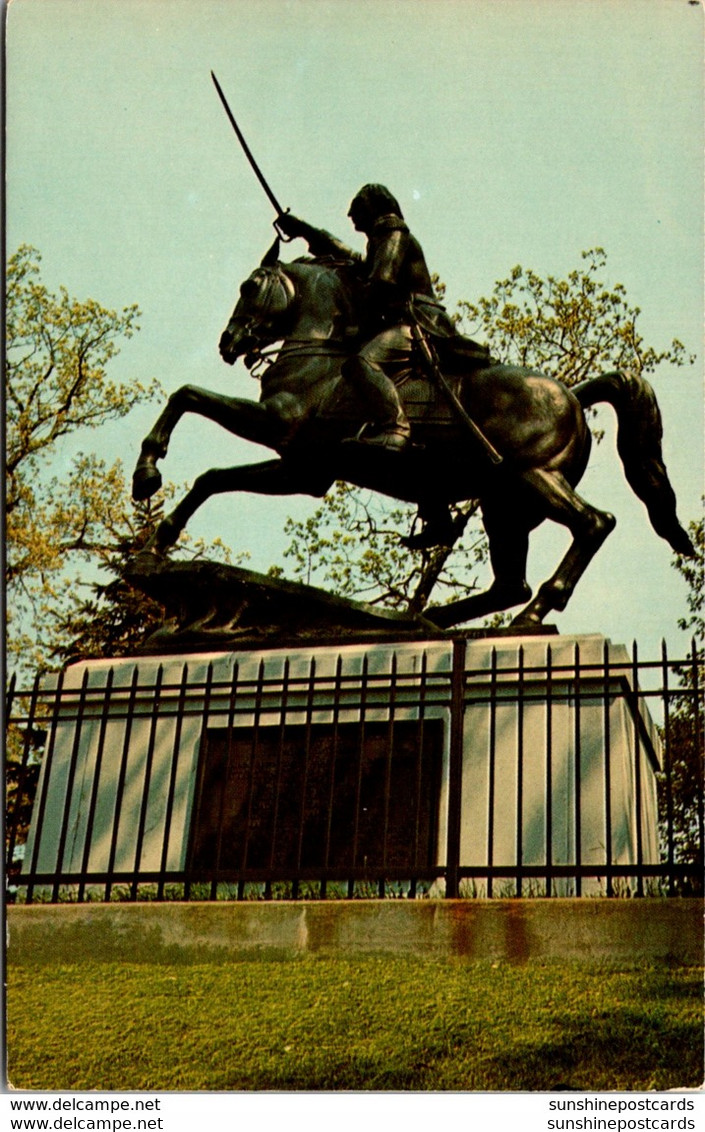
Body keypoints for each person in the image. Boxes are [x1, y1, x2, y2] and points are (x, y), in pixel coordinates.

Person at [278, 183, 465, 452]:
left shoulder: (393, 234)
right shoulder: (380, 240)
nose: (350, 215)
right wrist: (305, 231)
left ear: (373, 207)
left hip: (418, 322)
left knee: (362, 364)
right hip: (406, 320)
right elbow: (351, 258)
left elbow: (381, 283)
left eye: (356, 208)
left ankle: (396, 428)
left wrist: (355, 324)